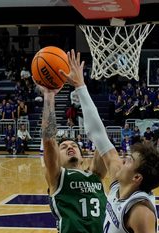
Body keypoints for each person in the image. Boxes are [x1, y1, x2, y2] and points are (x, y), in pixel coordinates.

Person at [61, 49, 159, 233]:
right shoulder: (120, 184)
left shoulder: (140, 212)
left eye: (129, 161)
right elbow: (98, 134)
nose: (122, 159)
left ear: (137, 178)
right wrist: (80, 86)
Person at [37, 81, 107, 233]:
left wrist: (82, 89)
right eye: (63, 147)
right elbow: (49, 140)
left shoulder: (95, 174)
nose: (70, 147)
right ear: (57, 158)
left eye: (74, 146)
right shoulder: (57, 176)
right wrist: (49, 97)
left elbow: (102, 139)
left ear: (83, 158)